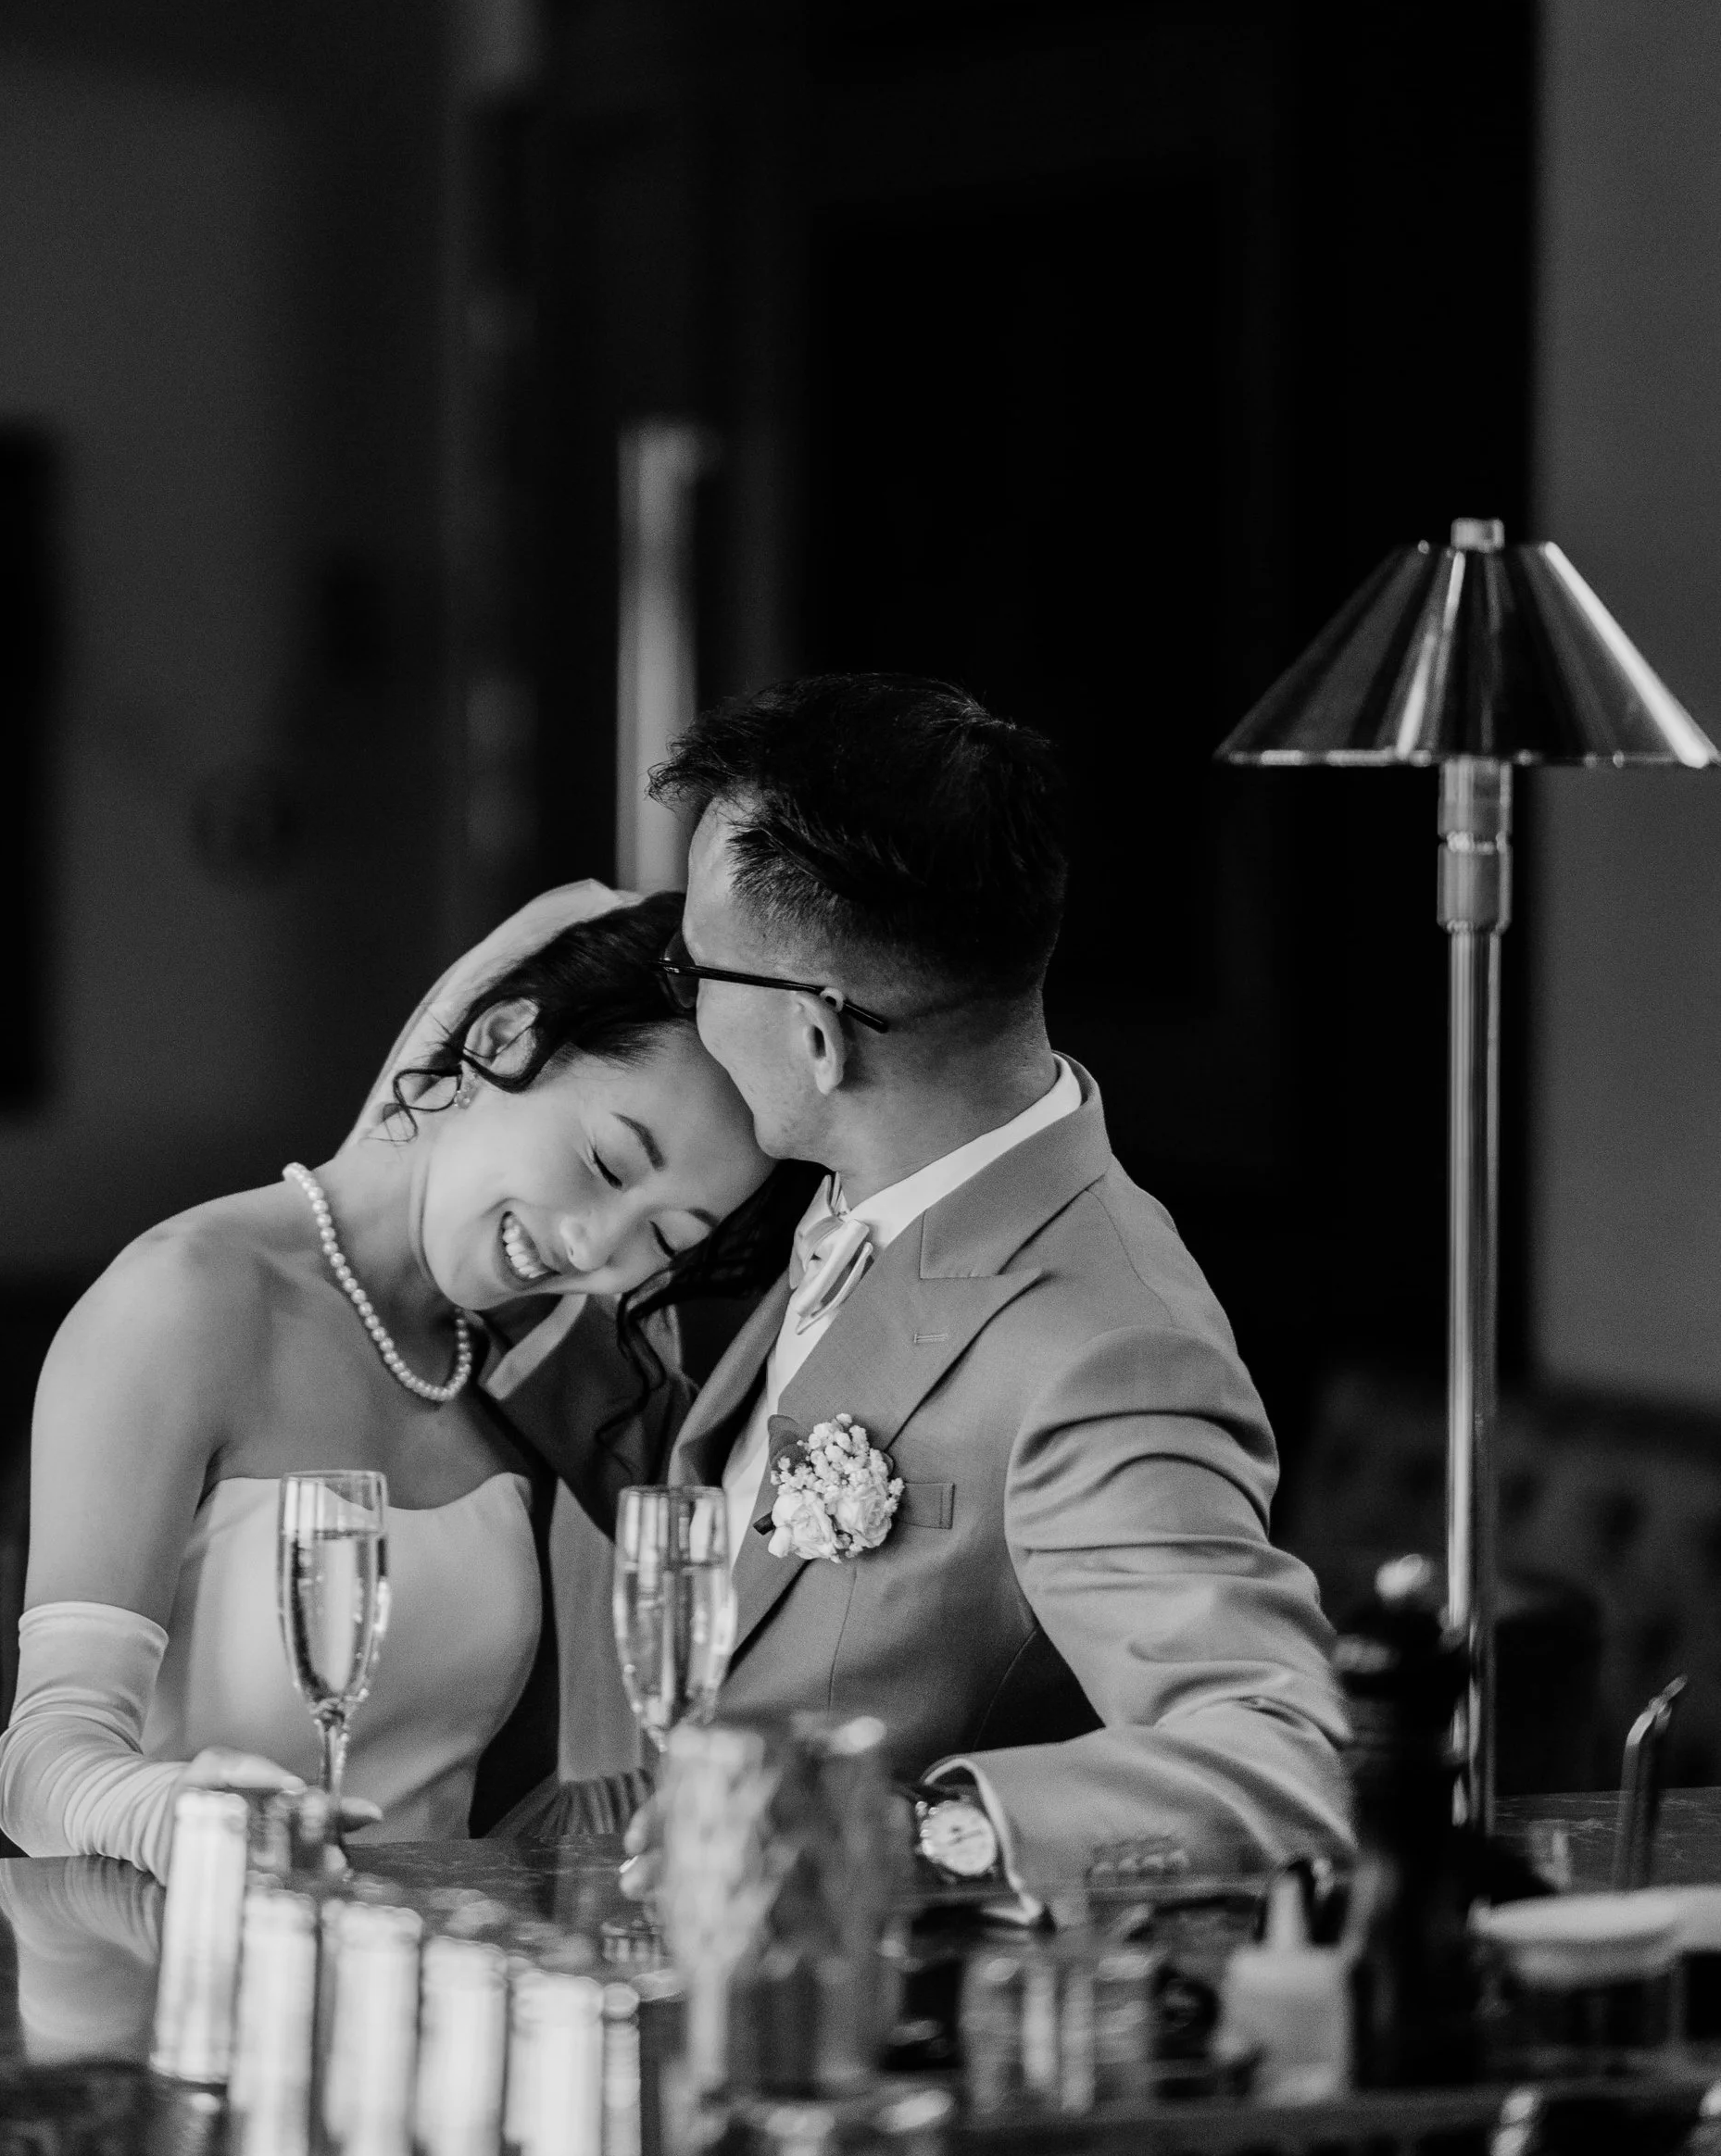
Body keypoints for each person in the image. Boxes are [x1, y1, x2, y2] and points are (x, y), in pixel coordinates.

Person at [516, 672, 1352, 1894]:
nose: (684, 1011)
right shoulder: (859, 1184)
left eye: (698, 975)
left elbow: (1281, 1763)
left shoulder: (1106, 1347)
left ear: (817, 1037)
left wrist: (904, 1838)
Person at [0, 889, 797, 1878]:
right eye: (604, 1163)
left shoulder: (514, 1374)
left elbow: (500, 1807)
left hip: (431, 1960)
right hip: (182, 1940)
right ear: (503, 1037)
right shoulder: (185, 1299)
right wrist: (176, 1818)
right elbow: (42, 1764)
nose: (596, 1249)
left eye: (665, 1238)